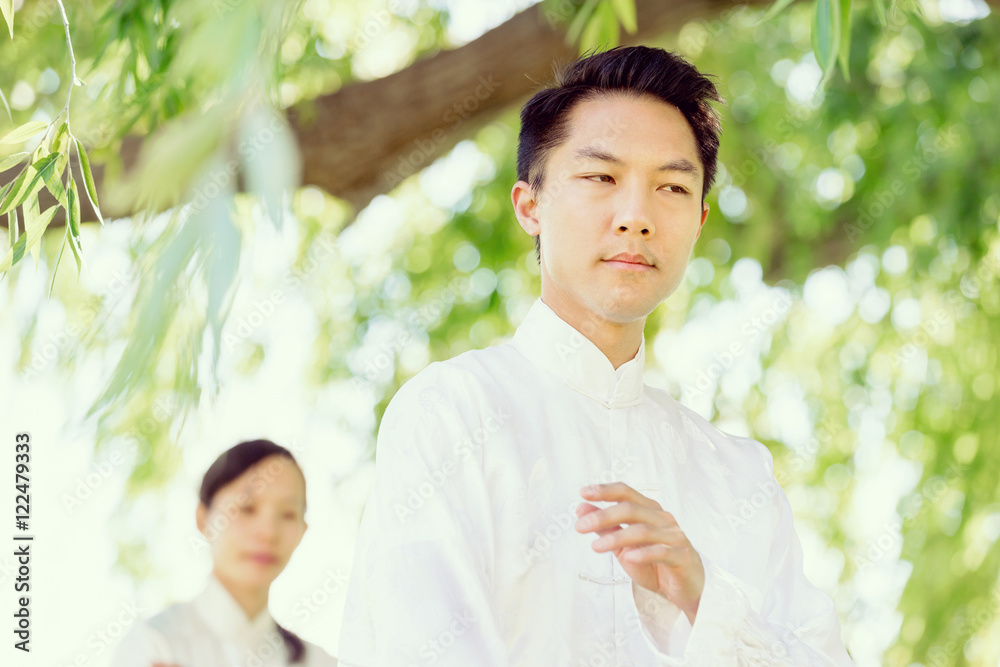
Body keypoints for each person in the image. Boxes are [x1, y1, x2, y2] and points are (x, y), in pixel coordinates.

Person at [337, 46, 853, 665]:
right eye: (601, 177)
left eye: (671, 186)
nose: (636, 217)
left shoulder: (740, 476)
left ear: (699, 221)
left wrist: (703, 597)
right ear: (530, 206)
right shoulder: (452, 414)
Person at [111, 439, 338, 666]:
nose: (268, 532)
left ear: (303, 531)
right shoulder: (153, 645)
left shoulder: (319, 661)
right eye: (247, 508)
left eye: (288, 514)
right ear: (203, 520)